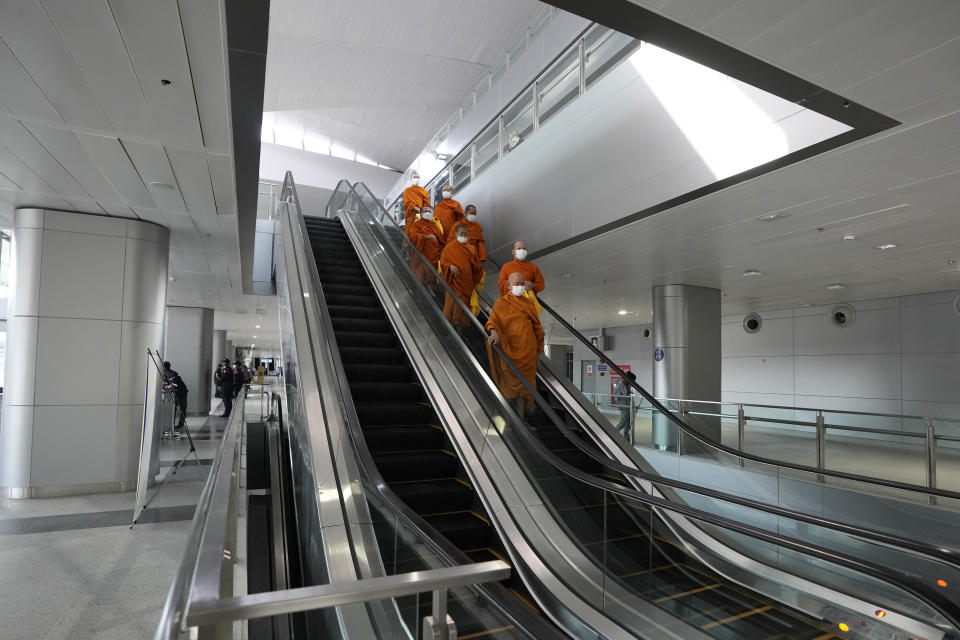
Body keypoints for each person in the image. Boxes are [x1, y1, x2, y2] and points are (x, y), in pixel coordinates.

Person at [485, 272, 545, 416]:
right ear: (509, 285)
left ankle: (521, 419)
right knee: (511, 388)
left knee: (525, 388)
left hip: (527, 353)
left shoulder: (529, 303)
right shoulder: (501, 303)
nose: (519, 286)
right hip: (509, 351)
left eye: (522, 284)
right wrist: (494, 332)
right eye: (516, 283)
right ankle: (511, 419)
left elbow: (537, 325)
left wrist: (538, 343)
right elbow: (492, 321)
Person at [440, 223, 483, 330]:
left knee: (463, 309)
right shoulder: (449, 248)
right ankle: (450, 329)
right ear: (455, 234)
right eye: (461, 234)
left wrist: (475, 268)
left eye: (465, 234)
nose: (463, 236)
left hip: (466, 284)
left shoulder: (471, 249)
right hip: (454, 283)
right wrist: (450, 266)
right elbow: (443, 262)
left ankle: (459, 330)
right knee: (452, 306)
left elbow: (477, 267)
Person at [407, 205, 445, 282]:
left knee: (433, 274)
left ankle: (432, 287)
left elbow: (441, 240)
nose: (428, 213)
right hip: (423, 255)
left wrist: (442, 252)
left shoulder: (434, 224)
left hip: (435, 255)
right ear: (420, 213)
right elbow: (413, 237)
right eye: (425, 211)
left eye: (429, 211)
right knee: (424, 273)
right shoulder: (416, 224)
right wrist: (427, 237)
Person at [161, 361, 188, 433]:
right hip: (174, 394)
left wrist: (166, 387)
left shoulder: (173, 374)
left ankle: (181, 424)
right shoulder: (164, 375)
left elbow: (173, 385)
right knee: (173, 409)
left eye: (162, 366)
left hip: (181, 393)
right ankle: (171, 425)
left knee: (182, 408)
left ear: (165, 367)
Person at [402, 171, 430, 235]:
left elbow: (426, 202)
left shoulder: (423, 191)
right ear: (411, 179)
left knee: (421, 233)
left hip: (422, 216)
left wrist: (423, 211)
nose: (416, 179)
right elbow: (407, 203)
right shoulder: (407, 190)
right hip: (411, 216)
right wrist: (417, 209)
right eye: (414, 177)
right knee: (409, 234)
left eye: (417, 177)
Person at [612, 371, 637, 441]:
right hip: (624, 405)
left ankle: (626, 433)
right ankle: (612, 433)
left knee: (628, 421)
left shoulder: (628, 385)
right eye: (633, 380)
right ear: (629, 379)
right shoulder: (620, 385)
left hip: (628, 405)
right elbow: (616, 396)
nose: (633, 382)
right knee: (623, 421)